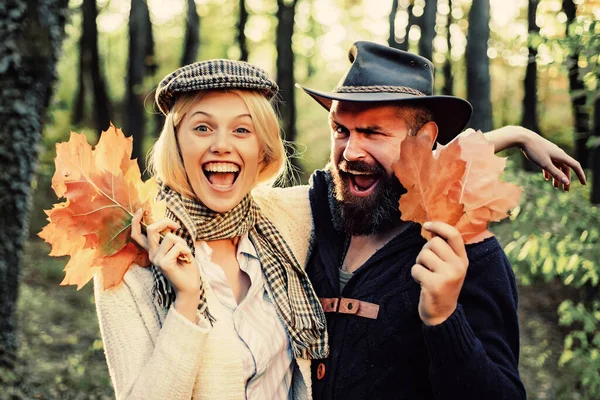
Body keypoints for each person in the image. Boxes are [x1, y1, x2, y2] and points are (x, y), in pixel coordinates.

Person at [250, 41, 586, 399]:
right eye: (340, 130)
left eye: (372, 132)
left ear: (423, 141)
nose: (349, 152)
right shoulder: (315, 211)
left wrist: (443, 318)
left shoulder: (469, 252)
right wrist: (513, 135)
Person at [93, 60, 328, 399]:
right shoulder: (128, 256)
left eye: (242, 130)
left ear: (262, 150)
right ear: (176, 143)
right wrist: (186, 303)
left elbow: (367, 184)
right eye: (202, 128)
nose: (221, 144)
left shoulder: (288, 216)